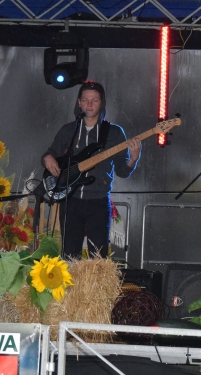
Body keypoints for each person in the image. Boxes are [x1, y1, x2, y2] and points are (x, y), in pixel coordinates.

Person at [42, 81, 141, 259]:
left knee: (98, 259)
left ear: (101, 103)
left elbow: (122, 171)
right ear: (79, 102)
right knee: (70, 256)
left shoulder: (114, 133)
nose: (89, 104)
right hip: (70, 201)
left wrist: (133, 159)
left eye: (94, 100)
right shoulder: (68, 131)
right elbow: (51, 153)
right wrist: (47, 157)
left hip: (98, 201)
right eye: (85, 100)